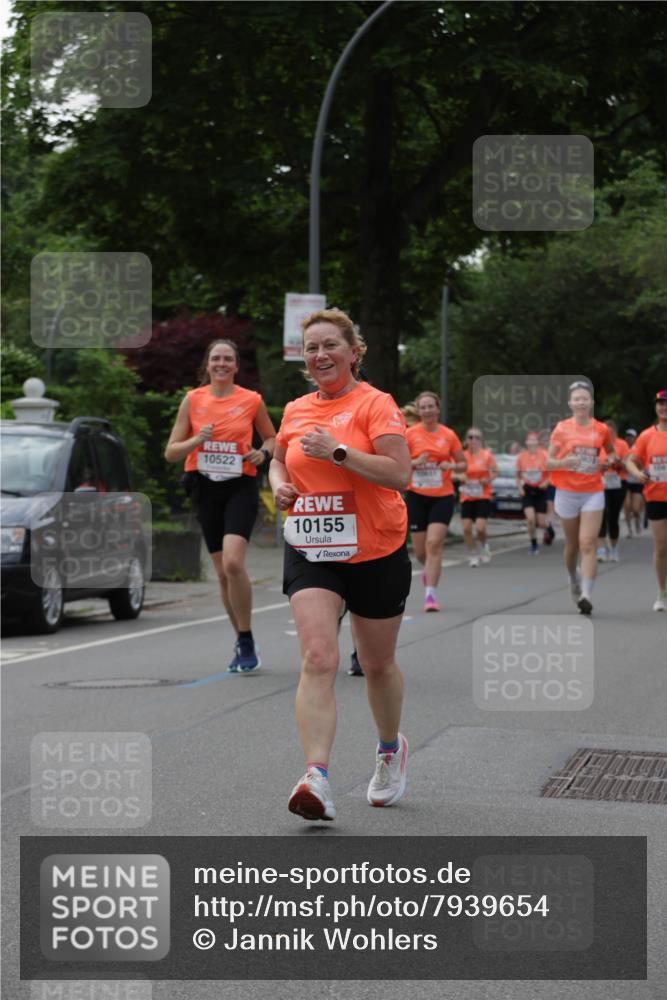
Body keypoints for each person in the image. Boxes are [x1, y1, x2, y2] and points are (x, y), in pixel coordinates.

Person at [269, 308, 412, 822]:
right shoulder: (295, 409)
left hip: (376, 547)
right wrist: (279, 485)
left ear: (354, 352)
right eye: (311, 348)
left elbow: (399, 473)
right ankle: (317, 777)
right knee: (317, 656)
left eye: (330, 345)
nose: (320, 354)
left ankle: (390, 749)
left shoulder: (377, 405)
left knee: (375, 665)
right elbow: (280, 457)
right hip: (313, 544)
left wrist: (339, 453)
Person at [165, 339, 276, 671]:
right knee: (222, 574)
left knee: (232, 564)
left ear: (236, 366)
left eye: (228, 358)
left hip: (240, 487)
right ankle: (244, 638)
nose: (222, 363)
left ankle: (244, 639)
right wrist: (197, 440)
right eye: (216, 358)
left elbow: (272, 437)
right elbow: (171, 452)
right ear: (208, 364)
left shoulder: (251, 400)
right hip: (205, 488)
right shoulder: (192, 400)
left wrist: (263, 453)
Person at [546, 381, 614, 615]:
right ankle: (573, 577)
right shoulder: (562, 428)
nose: (581, 402)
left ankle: (586, 594)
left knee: (588, 543)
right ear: (570, 403)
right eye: (577, 399)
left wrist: (606, 463)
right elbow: (548, 461)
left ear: (591, 402)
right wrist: (564, 463)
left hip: (592, 491)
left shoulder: (601, 429)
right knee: (572, 546)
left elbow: (611, 454)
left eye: (585, 398)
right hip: (566, 492)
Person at [405, 391, 466, 610]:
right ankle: (429, 572)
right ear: (419, 411)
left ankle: (430, 595)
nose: (428, 410)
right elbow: (399, 465)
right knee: (421, 552)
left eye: (431, 406)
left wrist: (451, 466)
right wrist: (415, 462)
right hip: (416, 496)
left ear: (438, 409)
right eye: (424, 407)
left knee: (434, 545)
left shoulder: (448, 435)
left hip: (442, 496)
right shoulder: (410, 434)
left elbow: (463, 464)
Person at [625, 390, 667, 611]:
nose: (663, 408)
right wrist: (637, 473)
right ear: (656, 408)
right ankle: (662, 593)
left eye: (666, 404)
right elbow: (630, 460)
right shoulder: (646, 436)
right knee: (661, 547)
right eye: (659, 404)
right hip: (656, 496)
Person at [459, 428, 498, 567]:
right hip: (467, 495)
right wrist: (459, 476)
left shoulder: (486, 455)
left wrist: (488, 479)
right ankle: (473, 554)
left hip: (483, 494)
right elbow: (450, 473)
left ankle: (484, 546)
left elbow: (495, 471)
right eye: (470, 437)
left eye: (476, 437)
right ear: (466, 440)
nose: (473, 440)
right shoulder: (461, 456)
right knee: (466, 528)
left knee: (480, 527)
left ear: (480, 441)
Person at [596, 419, 629, 563]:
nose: (607, 435)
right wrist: (602, 465)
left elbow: (628, 464)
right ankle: (601, 550)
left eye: (610, 432)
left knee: (613, 517)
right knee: (601, 514)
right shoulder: (598, 445)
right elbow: (593, 463)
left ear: (615, 432)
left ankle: (614, 549)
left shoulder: (622, 444)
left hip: (618, 483)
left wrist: (618, 462)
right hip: (601, 483)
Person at [515, 432, 549, 554]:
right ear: (526, 442)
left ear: (537, 442)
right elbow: (518, 476)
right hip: (527, 490)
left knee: (541, 522)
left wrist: (547, 482)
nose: (532, 442)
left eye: (534, 440)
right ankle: (534, 545)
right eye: (530, 440)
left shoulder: (544, 455)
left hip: (541, 490)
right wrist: (519, 487)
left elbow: (552, 473)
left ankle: (548, 528)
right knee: (530, 519)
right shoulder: (521, 457)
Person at [622, 428, 644, 537]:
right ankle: (629, 530)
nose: (629, 438)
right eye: (627, 436)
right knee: (626, 505)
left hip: (637, 481)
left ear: (635, 438)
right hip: (625, 481)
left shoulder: (639, 448)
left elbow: (643, 465)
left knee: (635, 508)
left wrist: (635, 466)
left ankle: (637, 520)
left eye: (631, 436)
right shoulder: (622, 448)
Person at [538, 429, 557, 545]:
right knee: (541, 511)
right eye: (543, 441)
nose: (546, 443)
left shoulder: (553, 454)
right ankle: (547, 529)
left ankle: (549, 529)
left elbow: (555, 472)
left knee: (550, 507)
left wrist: (547, 482)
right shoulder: (536, 454)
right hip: (538, 486)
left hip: (551, 484)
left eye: (548, 440)